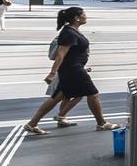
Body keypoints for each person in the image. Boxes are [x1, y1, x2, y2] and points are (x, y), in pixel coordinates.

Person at [21, 7, 120, 136]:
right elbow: (60, 55)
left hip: (72, 69)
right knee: (93, 94)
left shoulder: (72, 31)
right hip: (73, 70)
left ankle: (32, 124)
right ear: (76, 18)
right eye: (84, 14)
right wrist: (52, 73)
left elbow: (72, 54)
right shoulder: (69, 33)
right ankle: (101, 123)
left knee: (56, 97)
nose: (86, 16)